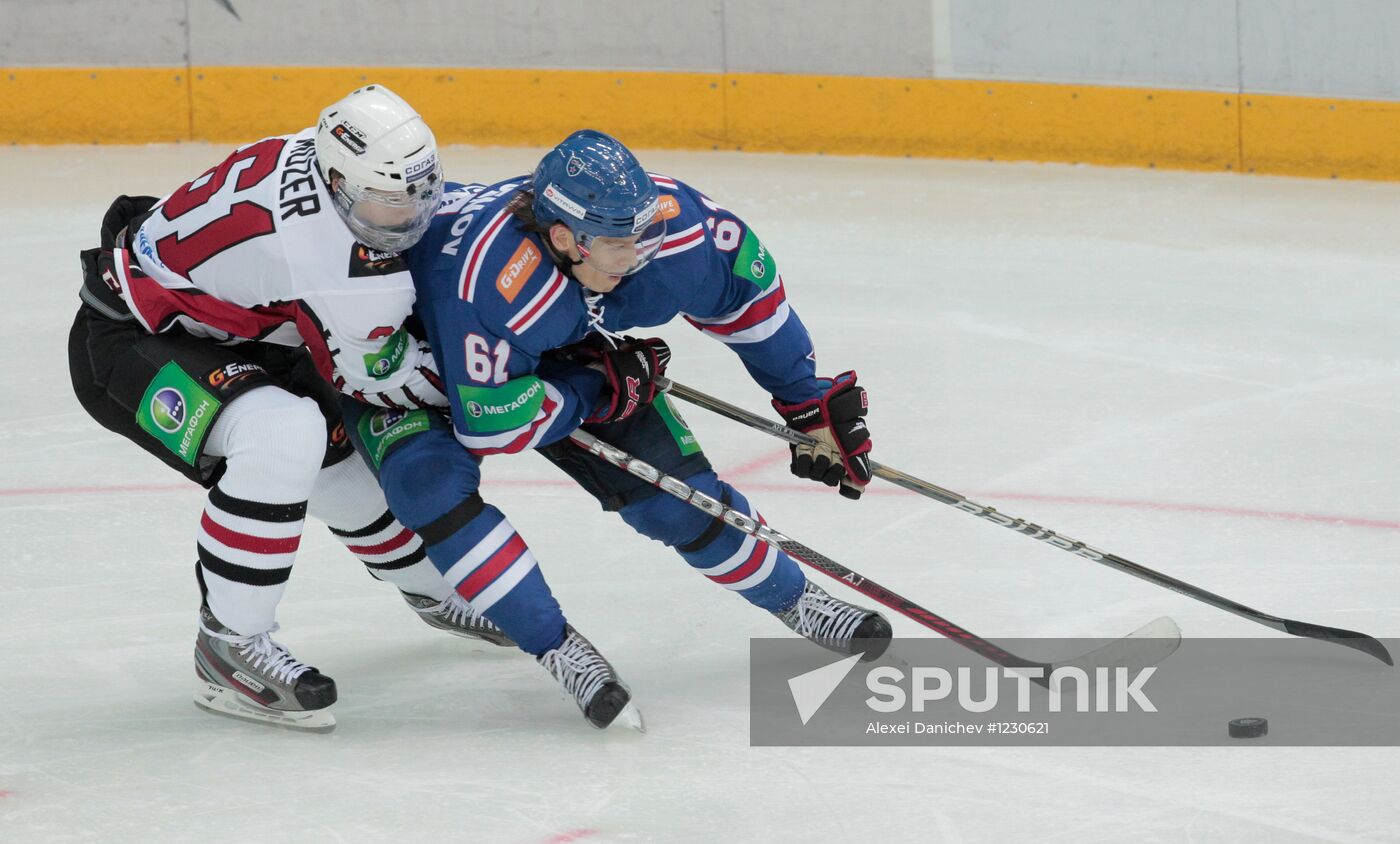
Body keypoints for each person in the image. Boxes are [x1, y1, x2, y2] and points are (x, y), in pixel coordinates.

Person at [343, 129, 892, 730]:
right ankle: (556, 646)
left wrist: (803, 398)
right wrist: (595, 388)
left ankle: (797, 600)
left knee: (677, 499)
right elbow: (491, 425)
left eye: (645, 233)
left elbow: (745, 289)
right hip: (404, 358)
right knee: (429, 489)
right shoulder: (491, 283)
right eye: (619, 243)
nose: (640, 257)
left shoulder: (661, 233)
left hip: (544, 342)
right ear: (564, 239)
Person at [67, 85, 507, 734]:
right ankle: (231, 647)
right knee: (285, 435)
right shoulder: (335, 263)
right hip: (132, 342)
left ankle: (439, 593)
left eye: (418, 191)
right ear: (336, 181)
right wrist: (512, 379)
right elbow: (392, 380)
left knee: (346, 478)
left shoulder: (332, 160)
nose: (407, 215)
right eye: (387, 202)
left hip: (232, 324)